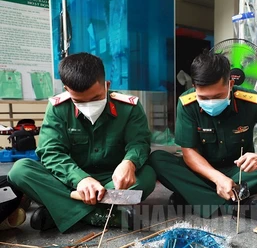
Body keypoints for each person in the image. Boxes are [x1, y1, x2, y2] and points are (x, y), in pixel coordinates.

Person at [7, 53, 156, 232]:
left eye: (95, 98)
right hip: (70, 180)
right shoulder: (58, 108)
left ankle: (60, 209)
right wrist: (80, 179)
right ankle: (98, 215)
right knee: (20, 170)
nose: (88, 106)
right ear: (67, 89)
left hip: (112, 181)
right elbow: (51, 152)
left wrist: (129, 163)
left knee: (147, 176)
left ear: (107, 85)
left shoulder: (129, 107)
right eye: (78, 101)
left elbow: (139, 142)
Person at [149, 52, 257, 219]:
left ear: (230, 83)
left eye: (217, 96)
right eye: (203, 97)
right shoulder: (187, 103)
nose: (210, 102)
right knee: (158, 159)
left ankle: (195, 197)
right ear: (194, 87)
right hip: (202, 172)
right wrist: (217, 178)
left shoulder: (251, 101)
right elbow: (189, 153)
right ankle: (232, 205)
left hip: (238, 171)